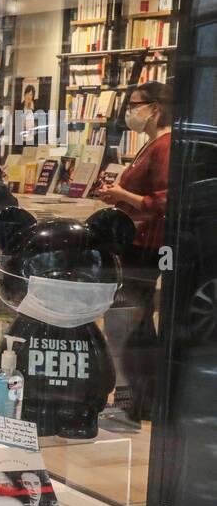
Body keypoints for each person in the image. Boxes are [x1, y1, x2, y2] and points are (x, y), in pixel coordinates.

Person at [98, 81, 173, 424]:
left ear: (155, 108)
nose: (130, 111)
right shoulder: (151, 144)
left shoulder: (166, 145)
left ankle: (137, 401)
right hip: (137, 242)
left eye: (135, 104)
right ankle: (140, 400)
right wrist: (117, 195)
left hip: (147, 246)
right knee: (132, 322)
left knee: (129, 323)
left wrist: (122, 195)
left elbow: (164, 200)